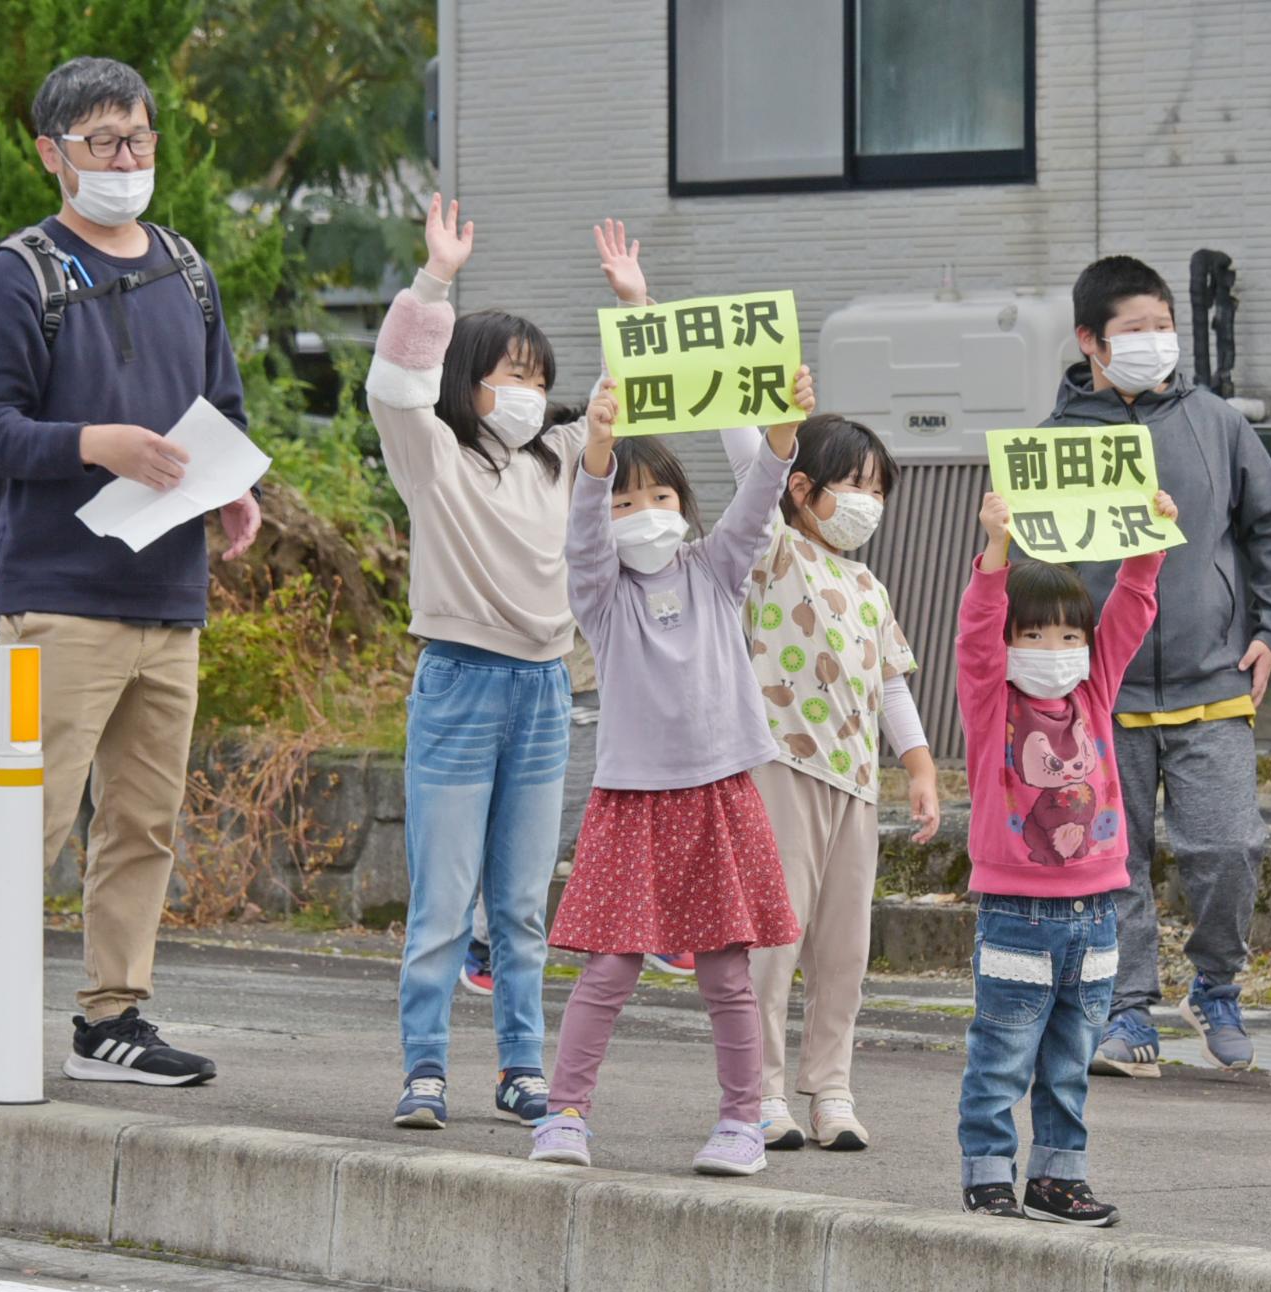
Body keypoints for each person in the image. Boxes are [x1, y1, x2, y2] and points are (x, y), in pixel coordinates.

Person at [0, 56, 259, 1088]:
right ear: (50, 153)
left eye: (140, 139)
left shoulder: (186, 269)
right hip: (56, 595)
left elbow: (223, 411)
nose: (126, 160)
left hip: (170, 592)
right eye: (103, 143)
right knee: (31, 808)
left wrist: (235, 487)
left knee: (145, 821)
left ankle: (113, 1015)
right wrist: (95, 445)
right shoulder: (18, 276)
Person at [366, 197, 641, 1130]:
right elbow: (394, 386)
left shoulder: (562, 459)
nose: (528, 389)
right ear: (469, 382)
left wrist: (632, 303)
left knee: (523, 907)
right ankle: (426, 1068)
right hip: (457, 681)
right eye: (508, 374)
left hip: (543, 687)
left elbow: (622, 404)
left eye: (538, 375)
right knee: (442, 902)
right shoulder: (434, 458)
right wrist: (434, 281)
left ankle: (524, 1066)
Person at [528, 370, 811, 1176]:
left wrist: (784, 438)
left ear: (683, 507)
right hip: (632, 803)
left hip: (720, 795)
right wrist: (597, 459)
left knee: (728, 972)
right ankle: (566, 1113)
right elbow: (583, 539)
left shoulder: (717, 571)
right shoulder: (602, 596)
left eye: (657, 501)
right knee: (609, 970)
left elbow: (758, 505)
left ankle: (741, 1121)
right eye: (624, 502)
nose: (640, 516)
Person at [1052, 256, 1271, 1077]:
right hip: (1101, 689)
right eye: (1135, 330)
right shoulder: (1056, 445)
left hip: (1214, 675)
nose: (1156, 342)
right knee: (1114, 860)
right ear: (1090, 340)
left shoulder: (1218, 421)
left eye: (1164, 327)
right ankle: (1128, 1013)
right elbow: (1032, 567)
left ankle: (1216, 985)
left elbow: (1268, 525)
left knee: (1229, 844)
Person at [716, 412, 939, 1152]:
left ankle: (832, 1087)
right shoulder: (772, 549)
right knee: (773, 942)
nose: (867, 502)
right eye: (853, 485)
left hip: (856, 783)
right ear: (803, 487)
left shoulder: (870, 584)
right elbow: (751, 461)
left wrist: (918, 764)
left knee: (845, 947)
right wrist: (751, 402)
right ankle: (761, 1091)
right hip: (780, 765)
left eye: (879, 488)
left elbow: (892, 686)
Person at [955, 487, 1175, 1224]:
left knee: (1071, 1059)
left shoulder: (1097, 687)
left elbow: (1132, 606)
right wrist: (995, 552)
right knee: (1003, 1055)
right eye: (1036, 638)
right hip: (1016, 913)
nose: (1055, 654)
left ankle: (1057, 1178)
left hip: (1096, 911)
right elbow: (978, 632)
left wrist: (1150, 537)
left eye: (1068, 639)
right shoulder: (992, 701)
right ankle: (988, 1175)